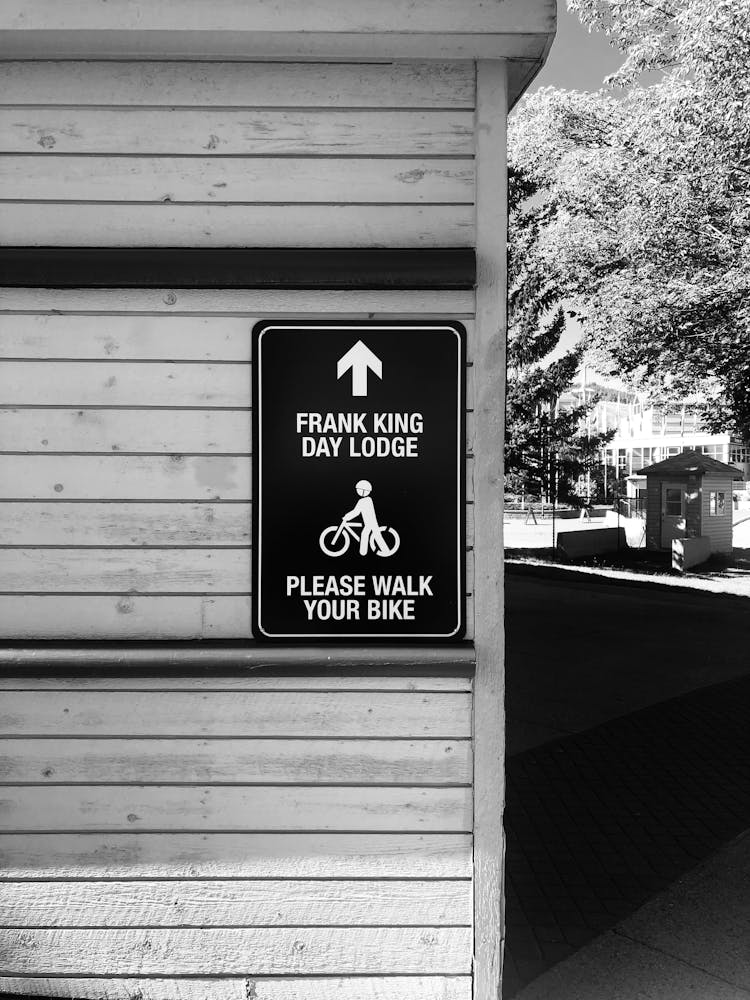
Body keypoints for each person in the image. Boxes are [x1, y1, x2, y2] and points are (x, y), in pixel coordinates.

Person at [340, 479, 390, 556]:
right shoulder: (367, 500)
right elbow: (356, 512)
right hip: (369, 523)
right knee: (371, 535)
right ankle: (364, 552)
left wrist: (346, 517)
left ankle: (383, 551)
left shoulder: (364, 501)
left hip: (371, 523)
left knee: (375, 536)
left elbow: (356, 512)